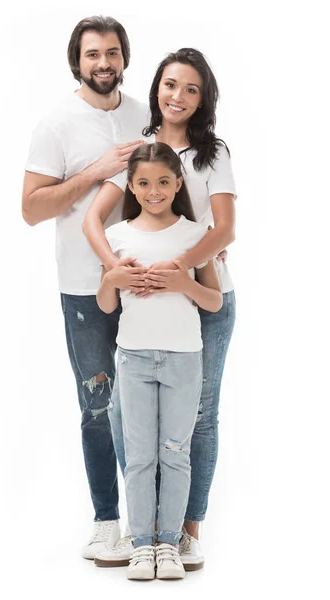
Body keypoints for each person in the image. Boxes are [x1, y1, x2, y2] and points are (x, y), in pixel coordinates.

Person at [83, 48, 236, 570]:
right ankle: (143, 530)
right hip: (142, 309)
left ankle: (184, 532)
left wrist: (180, 270)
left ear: (203, 98)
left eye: (192, 88)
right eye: (171, 85)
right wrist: (120, 273)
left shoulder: (212, 153)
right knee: (134, 424)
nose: (178, 96)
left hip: (197, 300)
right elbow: (94, 223)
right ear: (157, 89)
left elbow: (224, 230)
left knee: (199, 419)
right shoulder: (139, 153)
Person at [21, 15, 149, 559]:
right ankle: (106, 521)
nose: (104, 63)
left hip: (147, 280)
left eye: (112, 52)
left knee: (146, 403)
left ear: (124, 58)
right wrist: (94, 172)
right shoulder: (56, 124)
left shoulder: (144, 114)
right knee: (98, 403)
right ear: (78, 61)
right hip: (83, 286)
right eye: (93, 54)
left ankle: (150, 523)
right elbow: (30, 209)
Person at [97, 142, 222, 580]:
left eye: (163, 182)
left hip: (183, 360)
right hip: (132, 359)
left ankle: (168, 543)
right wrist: (111, 276)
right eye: (144, 183)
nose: (154, 191)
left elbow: (213, 301)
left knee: (175, 452)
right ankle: (142, 545)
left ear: (178, 184)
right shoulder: (118, 236)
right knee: (139, 456)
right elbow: (107, 306)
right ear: (131, 186)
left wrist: (180, 284)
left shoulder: (195, 235)